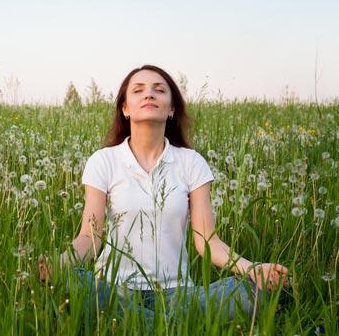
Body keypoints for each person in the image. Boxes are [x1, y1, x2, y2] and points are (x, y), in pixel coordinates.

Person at [38, 65, 290, 324]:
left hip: (177, 293)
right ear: (125, 108)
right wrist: (60, 263)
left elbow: (207, 242)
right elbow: (90, 237)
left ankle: (136, 324)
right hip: (113, 289)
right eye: (138, 90)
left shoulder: (191, 162)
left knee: (247, 292)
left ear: (171, 109)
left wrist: (252, 269)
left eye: (159, 90)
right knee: (71, 282)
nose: (149, 95)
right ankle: (168, 325)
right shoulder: (104, 161)